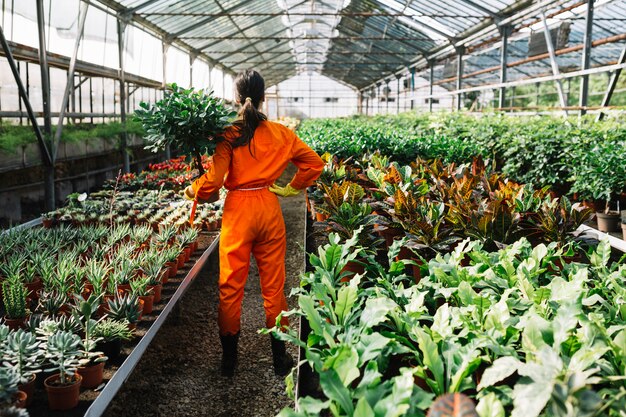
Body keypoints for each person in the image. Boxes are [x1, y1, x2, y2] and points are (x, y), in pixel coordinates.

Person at [184, 69, 325, 377]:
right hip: (268, 207)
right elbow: (314, 163)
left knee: (230, 286)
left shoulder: (228, 135)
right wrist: (291, 187)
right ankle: (280, 359)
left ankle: (229, 361)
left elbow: (214, 183)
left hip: (238, 212)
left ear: (236, 98)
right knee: (274, 287)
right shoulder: (280, 133)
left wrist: (193, 189)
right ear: (263, 98)